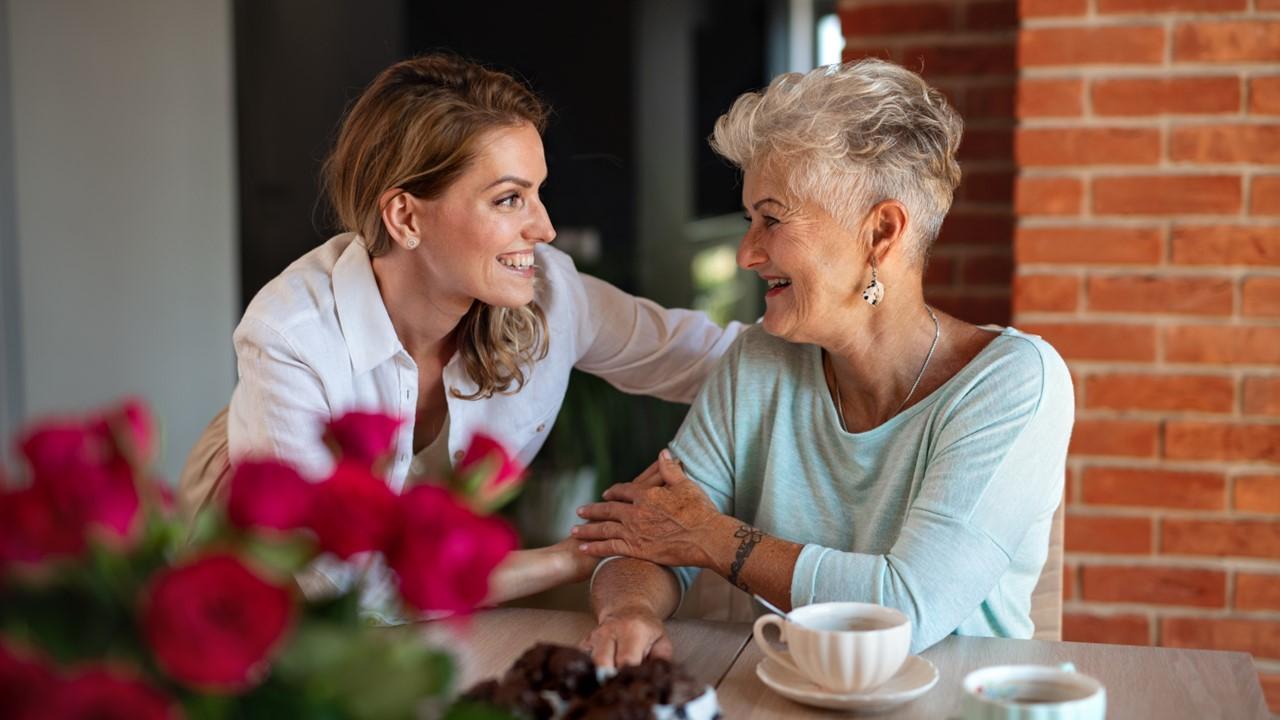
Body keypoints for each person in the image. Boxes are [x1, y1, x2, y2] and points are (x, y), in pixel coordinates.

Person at [188, 54, 742, 614]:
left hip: (425, 613)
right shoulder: (291, 338)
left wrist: (832, 325)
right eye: (508, 199)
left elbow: (715, 360)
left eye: (537, 192)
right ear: (405, 218)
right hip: (266, 612)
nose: (544, 228)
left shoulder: (551, 294)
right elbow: (332, 588)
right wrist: (576, 556)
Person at [573, 59, 1074, 667]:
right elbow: (648, 536)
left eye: (772, 219)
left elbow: (906, 611)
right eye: (749, 220)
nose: (746, 253)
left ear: (881, 233)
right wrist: (631, 610)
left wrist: (710, 536)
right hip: (784, 698)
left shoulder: (1014, 382)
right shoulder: (759, 360)